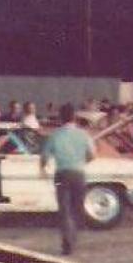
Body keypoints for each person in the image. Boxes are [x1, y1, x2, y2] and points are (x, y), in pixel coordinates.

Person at [39, 103, 96, 255]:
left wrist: (42, 168)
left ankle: (67, 240)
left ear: (60, 118)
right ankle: (73, 238)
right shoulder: (83, 135)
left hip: (61, 174)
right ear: (74, 117)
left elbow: (44, 156)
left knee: (64, 209)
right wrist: (80, 162)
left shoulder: (55, 135)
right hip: (78, 174)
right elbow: (92, 155)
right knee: (76, 208)